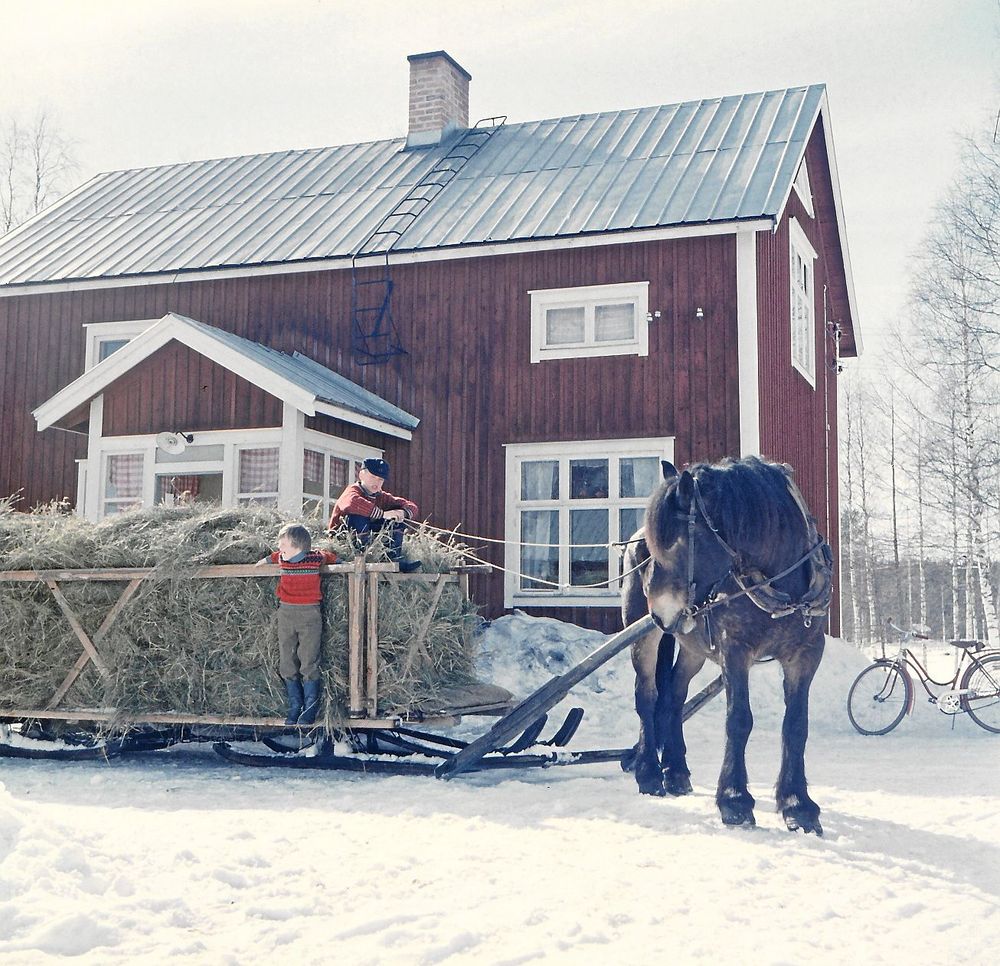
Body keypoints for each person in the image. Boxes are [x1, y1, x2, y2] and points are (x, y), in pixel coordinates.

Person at [255, 524, 337, 726]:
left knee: (308, 659)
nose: (279, 549)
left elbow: (329, 556)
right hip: (286, 613)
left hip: (309, 614)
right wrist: (264, 560)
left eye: (283, 545)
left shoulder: (314, 558)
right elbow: (274, 556)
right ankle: (294, 705)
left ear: (299, 547)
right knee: (287, 659)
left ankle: (310, 707)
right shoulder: (283, 557)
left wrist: (341, 561)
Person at [328, 458, 421, 572]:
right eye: (373, 477)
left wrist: (402, 513)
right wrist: (383, 514)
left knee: (396, 519)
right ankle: (362, 554)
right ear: (361, 475)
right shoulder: (352, 491)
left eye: (380, 479)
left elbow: (412, 506)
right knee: (358, 515)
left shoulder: (381, 496)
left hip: (370, 540)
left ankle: (393, 558)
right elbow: (352, 503)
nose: (376, 482)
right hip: (343, 542)